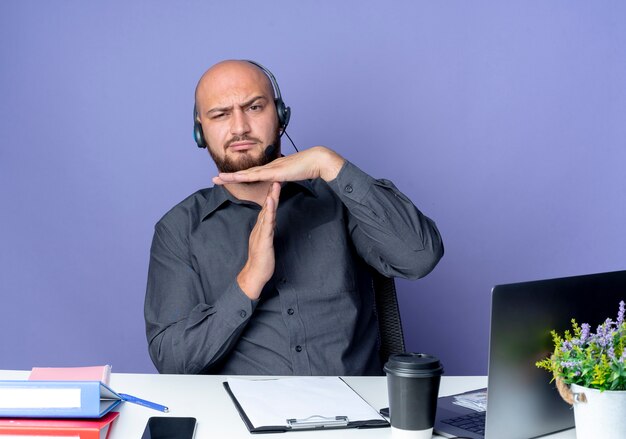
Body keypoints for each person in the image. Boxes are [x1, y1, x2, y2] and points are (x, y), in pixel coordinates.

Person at [144, 60, 443, 375]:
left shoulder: (340, 199)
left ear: (281, 116)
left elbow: (420, 257)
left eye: (255, 107)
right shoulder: (179, 229)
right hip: (237, 419)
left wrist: (327, 163)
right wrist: (249, 282)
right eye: (220, 114)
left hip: (357, 415)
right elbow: (173, 361)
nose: (240, 127)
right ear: (200, 132)